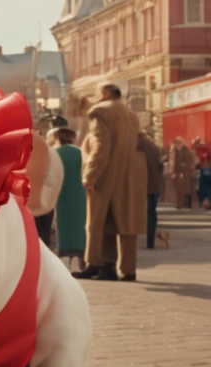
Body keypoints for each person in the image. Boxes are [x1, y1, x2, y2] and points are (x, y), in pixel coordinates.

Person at [73, 84, 145, 282]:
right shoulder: (132, 115)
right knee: (124, 223)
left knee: (97, 221)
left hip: (106, 174)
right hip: (128, 175)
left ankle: (95, 264)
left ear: (104, 94)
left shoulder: (99, 112)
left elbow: (101, 147)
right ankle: (127, 270)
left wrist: (90, 174)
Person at [52, 127, 87, 270]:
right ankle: (80, 254)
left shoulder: (55, 153)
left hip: (60, 192)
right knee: (79, 222)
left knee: (62, 222)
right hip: (79, 192)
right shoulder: (80, 152)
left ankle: (64, 252)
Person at [139, 131, 164, 248]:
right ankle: (150, 242)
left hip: (144, 184)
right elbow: (160, 166)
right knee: (151, 213)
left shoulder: (139, 144)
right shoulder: (153, 145)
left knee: (146, 213)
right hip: (154, 185)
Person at [169, 137, 195, 209]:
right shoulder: (179, 150)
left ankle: (183, 204)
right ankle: (182, 204)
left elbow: (187, 161)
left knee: (182, 189)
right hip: (181, 172)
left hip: (182, 172)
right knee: (181, 189)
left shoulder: (183, 150)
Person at [191, 137, 211, 210]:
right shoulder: (204, 150)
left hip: (203, 171)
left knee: (201, 186)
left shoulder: (203, 150)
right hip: (203, 171)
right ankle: (205, 200)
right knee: (202, 186)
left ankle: (204, 200)